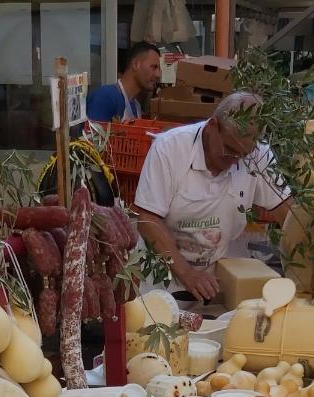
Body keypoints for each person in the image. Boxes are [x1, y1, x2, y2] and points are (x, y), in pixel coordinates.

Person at [133, 91, 292, 303]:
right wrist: (187, 273)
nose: (235, 160)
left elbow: (287, 212)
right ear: (212, 126)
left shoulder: (258, 156)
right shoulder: (170, 148)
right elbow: (147, 219)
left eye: (242, 155)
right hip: (159, 278)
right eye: (229, 149)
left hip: (212, 282)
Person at [86, 42, 161, 122]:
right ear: (136, 65)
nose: (158, 74)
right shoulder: (106, 97)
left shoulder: (136, 106)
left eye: (159, 69)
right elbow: (93, 133)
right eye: (154, 67)